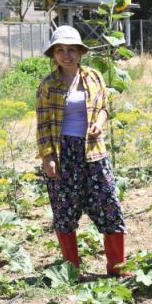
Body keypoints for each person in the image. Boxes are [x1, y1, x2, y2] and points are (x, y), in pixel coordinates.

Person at [36, 25, 128, 276]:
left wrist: (99, 123)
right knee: (65, 209)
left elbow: (104, 108)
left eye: (72, 50)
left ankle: (117, 267)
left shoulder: (94, 77)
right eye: (61, 50)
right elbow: (43, 124)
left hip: (93, 151)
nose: (67, 55)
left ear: (80, 52)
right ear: (54, 54)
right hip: (63, 151)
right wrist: (48, 157)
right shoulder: (48, 85)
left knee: (108, 203)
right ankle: (71, 270)